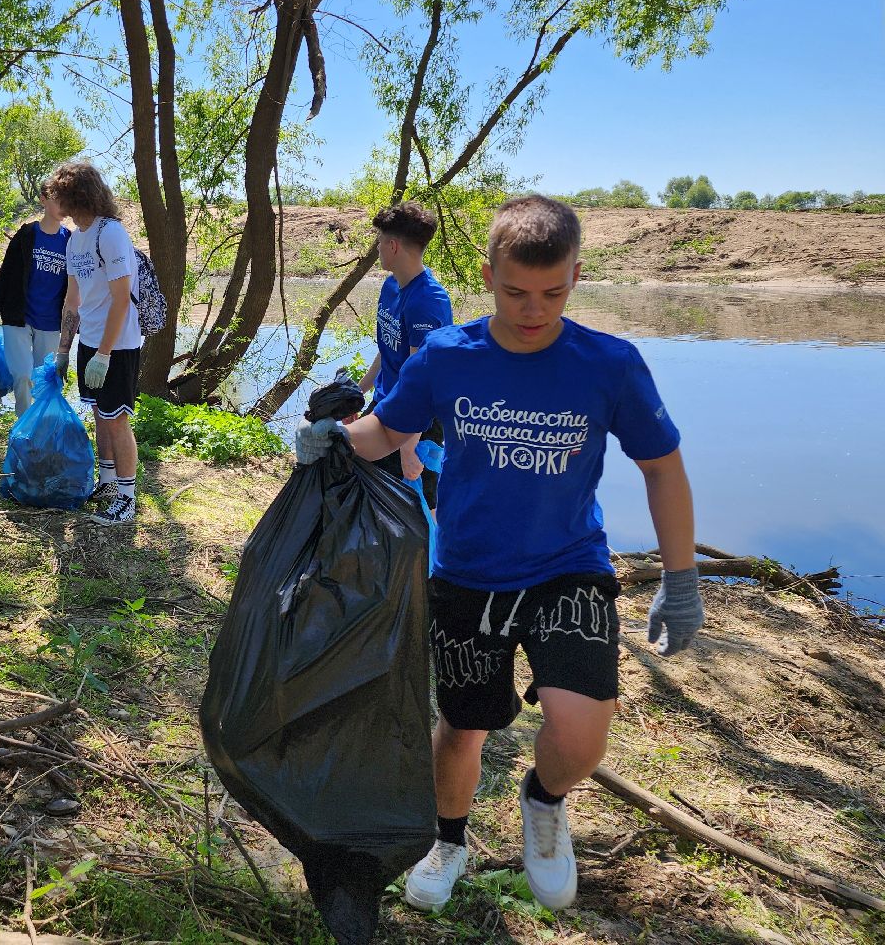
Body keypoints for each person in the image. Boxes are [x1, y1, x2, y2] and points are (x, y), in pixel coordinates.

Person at [296, 195, 704, 913]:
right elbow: (388, 432)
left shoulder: (609, 364)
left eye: (552, 291)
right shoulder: (448, 355)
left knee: (580, 733)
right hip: (467, 572)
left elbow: (662, 467)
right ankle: (447, 840)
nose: (533, 308)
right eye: (516, 291)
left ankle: (544, 803)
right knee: (462, 728)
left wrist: (682, 578)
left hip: (567, 566)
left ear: (576, 275)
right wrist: (333, 441)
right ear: (488, 274)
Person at [44, 162, 142, 527]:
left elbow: (121, 298)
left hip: (117, 345)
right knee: (101, 414)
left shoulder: (111, 233)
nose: (53, 202)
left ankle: (127, 500)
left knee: (117, 419)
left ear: (76, 196)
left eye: (59, 194)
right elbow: (73, 300)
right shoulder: (76, 238)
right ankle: (107, 484)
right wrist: (64, 350)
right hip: (91, 342)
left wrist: (104, 353)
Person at [357, 201, 453, 505]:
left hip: (418, 422)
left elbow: (421, 379)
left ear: (393, 245)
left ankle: (432, 554)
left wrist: (408, 447)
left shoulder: (428, 301)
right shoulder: (391, 286)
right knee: (368, 490)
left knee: (419, 509)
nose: (377, 248)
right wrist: (357, 392)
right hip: (387, 404)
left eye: (379, 241)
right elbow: (388, 349)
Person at [0, 197, 72, 415]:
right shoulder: (26, 234)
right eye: (57, 200)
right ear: (43, 200)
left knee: (45, 380)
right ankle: (23, 430)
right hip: (18, 318)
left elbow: (76, 288)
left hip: (51, 323)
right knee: (22, 377)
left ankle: (40, 429)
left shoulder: (71, 240)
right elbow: (6, 273)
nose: (64, 206)